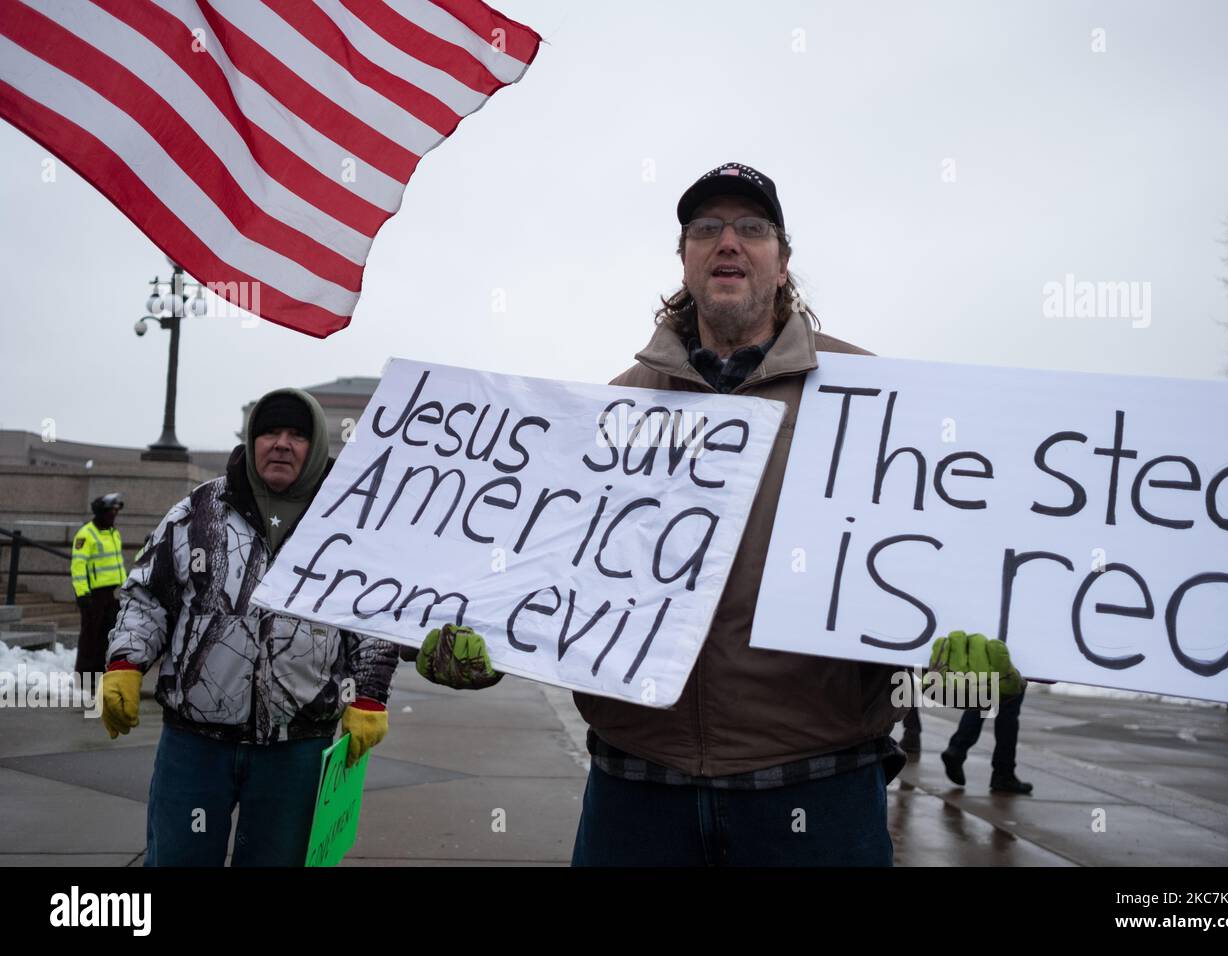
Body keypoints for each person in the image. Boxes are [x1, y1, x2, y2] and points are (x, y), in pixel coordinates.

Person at [419, 162, 1010, 866]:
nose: (728, 241)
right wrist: (485, 640)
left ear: (783, 263)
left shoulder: (873, 399)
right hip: (635, 791)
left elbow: (938, 563)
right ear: (685, 259)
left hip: (817, 794)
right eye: (706, 229)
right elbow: (539, 571)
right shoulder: (607, 410)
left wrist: (979, 652)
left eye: (752, 228)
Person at [100, 388, 400, 866]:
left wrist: (369, 696)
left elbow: (372, 619)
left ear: (318, 445)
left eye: (297, 435)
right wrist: (125, 661)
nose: (281, 444)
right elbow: (148, 597)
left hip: (296, 749)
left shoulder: (347, 524)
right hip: (194, 745)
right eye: (270, 432)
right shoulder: (196, 512)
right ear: (252, 439)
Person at [935, 631, 1033, 794]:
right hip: (1012, 649)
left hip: (989, 643)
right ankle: (1003, 773)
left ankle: (957, 748)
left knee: (986, 698)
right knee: (1008, 712)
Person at [70, 492, 126, 675]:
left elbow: (116, 562)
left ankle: (99, 671)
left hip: (111, 593)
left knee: (106, 634)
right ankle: (84, 673)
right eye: (111, 512)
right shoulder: (86, 535)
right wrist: (82, 594)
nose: (114, 516)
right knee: (90, 636)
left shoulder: (113, 532)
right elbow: (78, 566)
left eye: (116, 512)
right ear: (101, 513)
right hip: (93, 594)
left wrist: (125, 587)